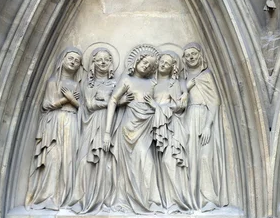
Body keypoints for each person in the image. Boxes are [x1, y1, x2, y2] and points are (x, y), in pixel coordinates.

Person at [103, 44, 163, 213]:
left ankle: (147, 201)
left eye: (150, 66)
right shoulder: (127, 79)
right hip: (128, 128)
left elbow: (163, 101)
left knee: (147, 162)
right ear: (137, 60)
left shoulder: (152, 82)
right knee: (126, 166)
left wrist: (156, 107)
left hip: (145, 127)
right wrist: (107, 132)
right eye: (145, 62)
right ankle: (125, 200)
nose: (146, 66)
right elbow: (113, 100)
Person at [25, 47, 82, 210]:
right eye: (70, 58)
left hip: (72, 122)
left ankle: (63, 197)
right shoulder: (53, 82)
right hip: (54, 122)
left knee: (68, 159)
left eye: (77, 61)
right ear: (62, 60)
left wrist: (73, 101)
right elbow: (46, 105)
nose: (73, 62)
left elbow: (82, 108)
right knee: (53, 158)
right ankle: (48, 195)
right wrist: (66, 100)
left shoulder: (76, 84)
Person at [71, 47, 118, 214]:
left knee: (106, 164)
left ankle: (103, 200)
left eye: (107, 59)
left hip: (109, 125)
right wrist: (114, 102)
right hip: (90, 124)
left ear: (111, 63)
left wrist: (112, 102)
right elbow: (90, 105)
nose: (103, 62)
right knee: (85, 162)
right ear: (93, 63)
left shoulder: (115, 84)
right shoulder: (87, 83)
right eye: (99, 59)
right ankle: (82, 198)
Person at [182, 43, 228, 211]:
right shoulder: (184, 79)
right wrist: (187, 86)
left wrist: (208, 126)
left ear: (200, 55)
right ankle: (193, 198)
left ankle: (209, 198)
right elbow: (178, 99)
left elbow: (215, 101)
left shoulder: (206, 75)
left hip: (205, 117)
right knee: (190, 159)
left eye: (194, 53)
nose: (191, 57)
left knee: (204, 157)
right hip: (189, 119)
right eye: (187, 55)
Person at [147, 50, 191, 212]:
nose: (163, 64)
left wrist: (158, 108)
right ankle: (162, 201)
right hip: (153, 127)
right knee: (155, 164)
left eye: (168, 63)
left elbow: (180, 106)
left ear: (174, 67)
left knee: (169, 161)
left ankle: (177, 201)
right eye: (162, 61)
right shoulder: (152, 84)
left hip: (171, 126)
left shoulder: (176, 84)